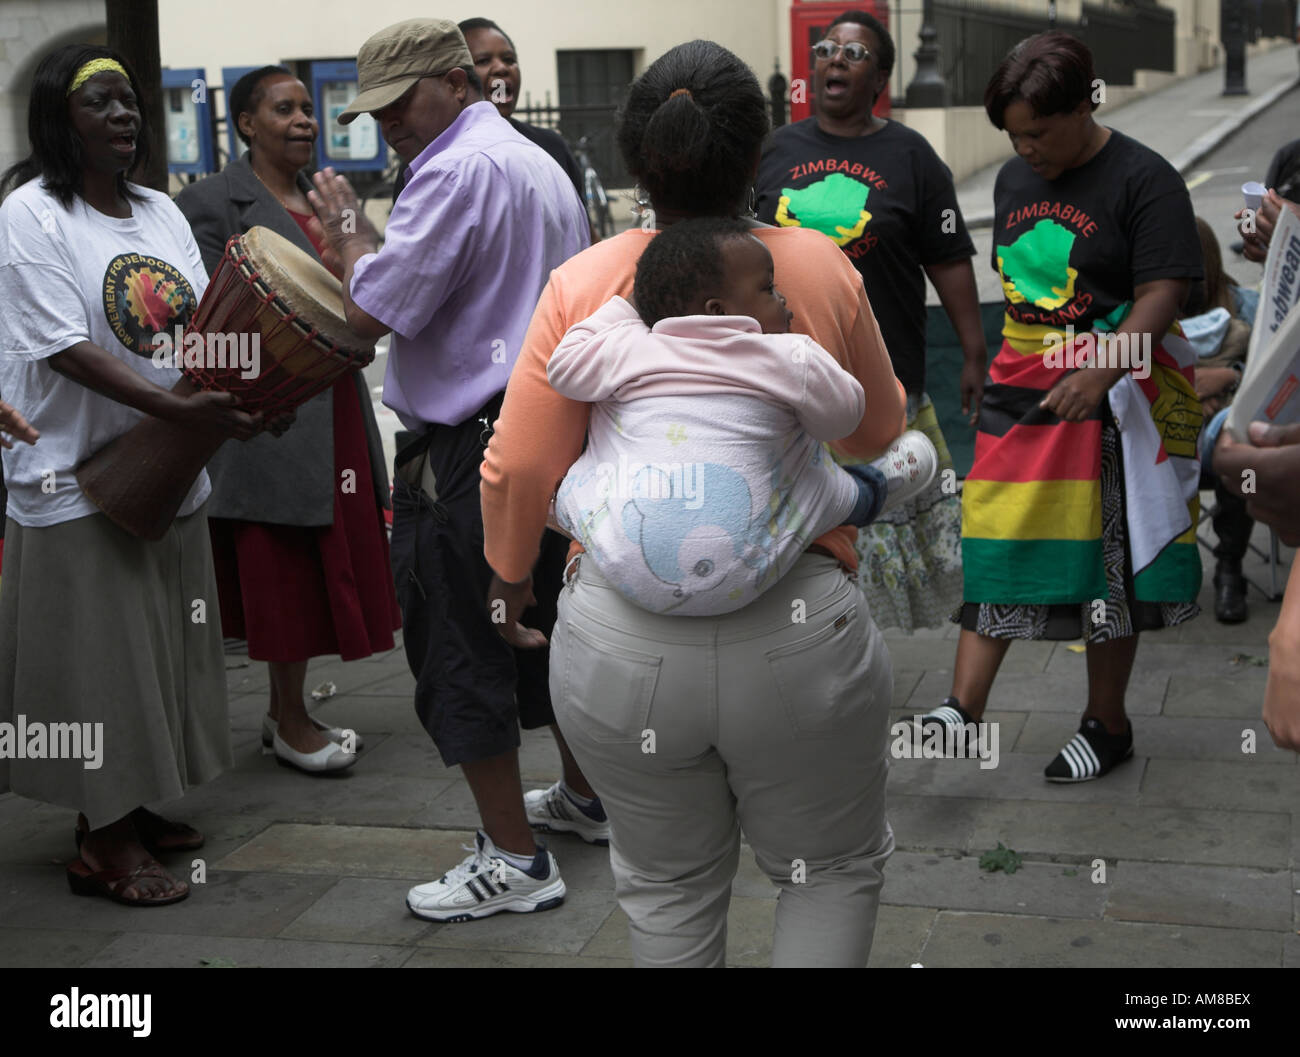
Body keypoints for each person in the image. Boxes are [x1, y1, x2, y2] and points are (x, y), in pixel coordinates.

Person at [482, 40, 908, 967]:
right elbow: (879, 428)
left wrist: (508, 582)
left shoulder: (589, 283)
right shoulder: (819, 268)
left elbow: (517, 468)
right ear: (761, 157)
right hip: (799, 634)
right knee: (826, 870)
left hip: (619, 646)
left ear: (638, 161)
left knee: (667, 894)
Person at [306, 18, 591, 921]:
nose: (386, 123)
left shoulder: (453, 168)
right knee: (541, 630)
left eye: (398, 103)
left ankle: (514, 856)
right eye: (375, 110)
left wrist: (351, 233)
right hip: (543, 437)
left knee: (459, 642)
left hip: (466, 447)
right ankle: (586, 796)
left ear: (453, 82)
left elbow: (370, 313)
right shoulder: (538, 162)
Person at [0, 44, 271, 904]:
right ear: (58, 119)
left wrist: (250, 392)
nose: (125, 116)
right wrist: (182, 412)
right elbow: (63, 348)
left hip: (164, 467)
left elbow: (199, 327)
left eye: (131, 103)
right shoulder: (31, 215)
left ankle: (133, 802)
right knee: (98, 664)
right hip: (71, 474)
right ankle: (102, 839)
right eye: (101, 103)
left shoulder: (156, 210)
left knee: (162, 646)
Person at [908, 32, 1205, 782]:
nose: (1026, 147)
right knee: (996, 530)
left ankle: (1107, 722)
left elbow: (1162, 296)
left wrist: (1100, 371)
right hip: (1022, 385)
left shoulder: (1146, 180)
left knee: (1105, 561)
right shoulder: (1014, 180)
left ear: (1084, 105)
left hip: (1109, 397)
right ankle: (961, 712)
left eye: (1040, 130)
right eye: (1014, 133)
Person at [175, 66, 400, 775]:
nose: (304, 120)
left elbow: (379, 294)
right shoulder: (211, 203)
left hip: (333, 405)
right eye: (284, 109)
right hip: (266, 416)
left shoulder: (329, 199)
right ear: (246, 123)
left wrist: (351, 237)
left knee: (320, 565)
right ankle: (288, 716)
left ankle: (288, 711)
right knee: (279, 569)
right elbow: (204, 319)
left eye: (308, 108)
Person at [548, 215, 935, 616]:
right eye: (768, 288)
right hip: (748, 572)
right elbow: (842, 421)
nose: (783, 298)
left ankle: (552, 503)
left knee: (578, 485)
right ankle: (878, 486)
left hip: (627, 565)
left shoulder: (627, 346)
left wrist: (630, 307)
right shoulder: (791, 356)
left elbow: (562, 367)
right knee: (823, 480)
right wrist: (807, 369)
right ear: (717, 310)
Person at [755, 9, 986, 632]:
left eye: (853, 54)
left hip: (881, 381)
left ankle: (860, 651)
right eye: (826, 49)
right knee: (801, 532)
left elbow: (949, 258)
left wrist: (972, 352)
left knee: (876, 532)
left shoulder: (911, 155)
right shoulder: (772, 151)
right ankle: (802, 641)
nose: (834, 59)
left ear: (879, 76)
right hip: (789, 380)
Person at [1182, 217, 1258, 623]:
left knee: (1242, 454)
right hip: (1165, 436)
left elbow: (1276, 380)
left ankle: (1230, 567)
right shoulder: (1142, 307)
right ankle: (1167, 568)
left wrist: (1229, 379)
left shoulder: (1245, 305)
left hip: (1224, 440)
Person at [458, 18, 583, 198]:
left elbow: (582, 224)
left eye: (509, 59)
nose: (502, 68)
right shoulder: (436, 159)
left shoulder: (551, 146)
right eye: (484, 60)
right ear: (456, 81)